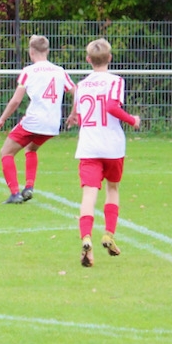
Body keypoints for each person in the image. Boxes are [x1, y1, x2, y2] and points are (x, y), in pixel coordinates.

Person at [67, 38, 141, 268]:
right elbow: (111, 106)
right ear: (110, 58)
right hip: (112, 146)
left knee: (89, 194)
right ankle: (108, 233)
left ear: (88, 59)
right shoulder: (116, 81)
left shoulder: (81, 86)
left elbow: (81, 117)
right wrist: (132, 120)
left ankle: (86, 238)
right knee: (112, 188)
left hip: (89, 146)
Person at [0, 35, 76, 204]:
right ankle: (29, 187)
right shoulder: (60, 71)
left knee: (6, 152)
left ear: (31, 52)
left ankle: (15, 194)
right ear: (47, 51)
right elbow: (77, 92)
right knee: (31, 148)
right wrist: (73, 114)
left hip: (34, 121)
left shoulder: (28, 71)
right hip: (53, 124)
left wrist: (2, 119)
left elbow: (16, 100)